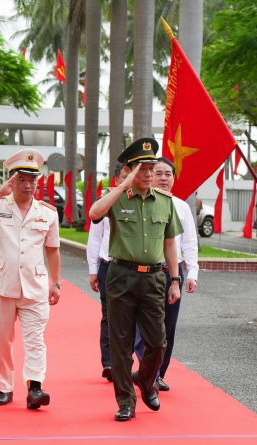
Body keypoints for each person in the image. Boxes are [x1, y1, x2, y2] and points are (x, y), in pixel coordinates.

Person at [88, 138, 183, 422]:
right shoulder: (117, 198)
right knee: (121, 342)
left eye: (152, 168)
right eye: (142, 169)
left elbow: (169, 244)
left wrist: (175, 279)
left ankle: (145, 378)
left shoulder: (165, 203)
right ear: (130, 171)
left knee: (158, 342)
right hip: (121, 276)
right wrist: (121, 185)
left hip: (154, 278)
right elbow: (94, 214)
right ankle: (126, 401)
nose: (149, 174)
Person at [0, 149, 61, 409]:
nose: (27, 185)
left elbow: (52, 250)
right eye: (21, 179)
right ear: (11, 180)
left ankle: (35, 387)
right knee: (2, 338)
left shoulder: (48, 212)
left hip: (34, 285)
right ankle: (3, 387)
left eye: (32, 180)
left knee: (35, 338)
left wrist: (55, 282)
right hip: (2, 283)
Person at [131, 157, 199, 392]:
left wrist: (191, 273)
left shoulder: (181, 206)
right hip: (143, 271)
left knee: (167, 326)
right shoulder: (137, 202)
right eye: (158, 173)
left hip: (170, 272)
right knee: (143, 326)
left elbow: (189, 242)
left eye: (168, 174)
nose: (163, 178)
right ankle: (146, 370)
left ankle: (158, 373)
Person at [87, 163, 128, 383]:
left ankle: (128, 360)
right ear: (117, 179)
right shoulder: (105, 202)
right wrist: (93, 270)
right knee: (110, 317)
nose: (130, 179)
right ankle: (109, 363)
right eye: (125, 175)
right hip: (109, 266)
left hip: (134, 269)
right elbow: (95, 238)